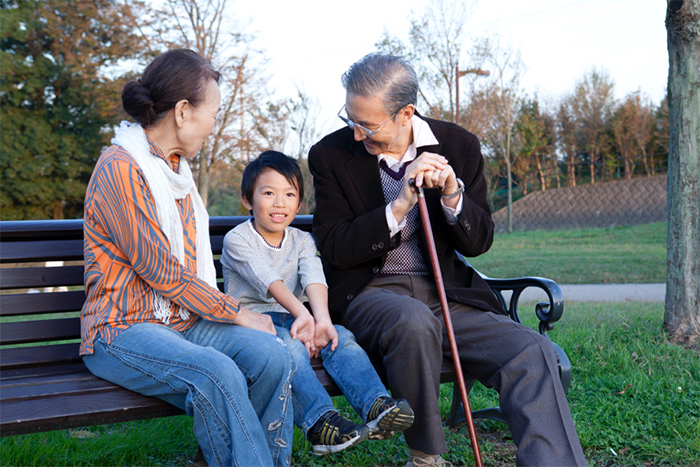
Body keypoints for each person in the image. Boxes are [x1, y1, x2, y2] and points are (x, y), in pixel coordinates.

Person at [308, 52, 588, 467]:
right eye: (350, 119)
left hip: (446, 293)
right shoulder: (329, 154)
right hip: (369, 293)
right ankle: (426, 458)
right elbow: (333, 245)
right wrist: (399, 205)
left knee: (531, 351)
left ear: (406, 113)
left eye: (367, 124)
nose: (355, 133)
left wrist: (453, 194)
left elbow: (480, 242)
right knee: (412, 321)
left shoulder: (459, 145)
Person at [81, 49, 294, 467]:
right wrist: (234, 311)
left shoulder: (176, 171)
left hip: (179, 322)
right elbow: (159, 269)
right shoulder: (121, 169)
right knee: (214, 372)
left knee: (273, 352)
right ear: (182, 111)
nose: (214, 126)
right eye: (212, 113)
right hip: (120, 329)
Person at [220, 150, 414, 456]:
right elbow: (269, 281)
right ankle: (320, 423)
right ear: (248, 199)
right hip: (252, 325)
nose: (279, 202)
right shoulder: (238, 239)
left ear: (299, 203)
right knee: (290, 348)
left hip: (296, 320)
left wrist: (320, 321)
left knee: (341, 337)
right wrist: (303, 318)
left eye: (289, 194)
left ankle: (376, 406)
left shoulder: (301, 240)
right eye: (268, 193)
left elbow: (313, 278)